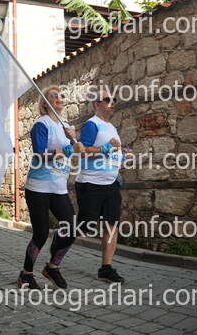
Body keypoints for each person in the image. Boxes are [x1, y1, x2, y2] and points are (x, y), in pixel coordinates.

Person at [16, 86, 84, 290]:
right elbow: (39, 154)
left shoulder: (67, 127)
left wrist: (75, 140)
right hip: (38, 187)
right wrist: (67, 149)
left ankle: (52, 267)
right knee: (41, 233)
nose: (59, 98)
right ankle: (26, 275)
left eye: (61, 95)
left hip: (58, 187)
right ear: (45, 104)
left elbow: (77, 151)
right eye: (54, 95)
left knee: (71, 228)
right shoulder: (41, 124)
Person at [75, 90, 132, 284]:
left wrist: (122, 155)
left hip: (111, 185)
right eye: (108, 100)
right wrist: (108, 148)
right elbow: (83, 151)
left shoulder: (112, 128)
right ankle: (62, 236)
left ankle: (106, 268)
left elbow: (112, 153)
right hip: (91, 184)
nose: (112, 102)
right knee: (85, 227)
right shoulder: (92, 124)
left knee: (111, 224)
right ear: (97, 104)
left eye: (114, 100)